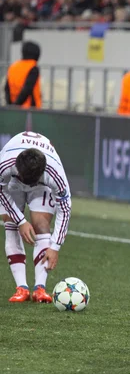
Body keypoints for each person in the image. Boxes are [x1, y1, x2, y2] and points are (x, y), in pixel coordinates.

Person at [0, 131, 71, 303]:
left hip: (42, 184)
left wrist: (56, 246)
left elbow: (65, 208)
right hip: (12, 182)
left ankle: (40, 288)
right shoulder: (5, 165)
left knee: (41, 223)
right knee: (10, 224)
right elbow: (1, 191)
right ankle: (21, 288)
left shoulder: (54, 173)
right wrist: (21, 221)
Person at [4, 41, 42, 108]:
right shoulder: (33, 68)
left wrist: (10, 105)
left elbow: (7, 88)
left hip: (13, 107)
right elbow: (27, 89)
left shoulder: (13, 67)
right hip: (30, 110)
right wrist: (16, 105)